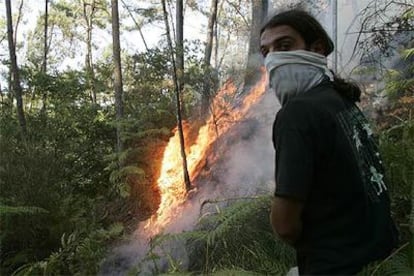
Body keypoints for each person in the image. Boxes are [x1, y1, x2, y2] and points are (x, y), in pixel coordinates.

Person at [260, 9, 399, 275]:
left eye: (284, 46)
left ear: (317, 49)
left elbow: (285, 226)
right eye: (266, 52)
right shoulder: (341, 100)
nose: (274, 59)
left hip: (336, 266)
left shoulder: (296, 114)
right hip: (381, 257)